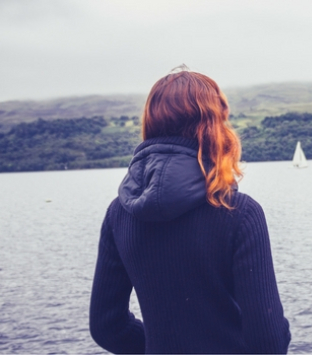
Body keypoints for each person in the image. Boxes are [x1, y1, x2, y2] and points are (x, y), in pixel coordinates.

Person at [89, 66, 291, 354]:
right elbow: (267, 341)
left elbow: (107, 327)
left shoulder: (119, 214)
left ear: (151, 123)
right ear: (213, 126)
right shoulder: (239, 212)